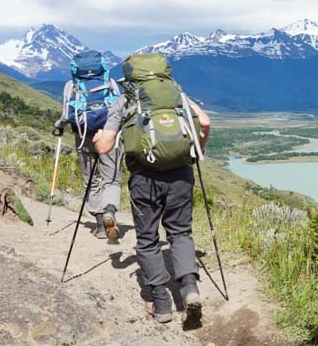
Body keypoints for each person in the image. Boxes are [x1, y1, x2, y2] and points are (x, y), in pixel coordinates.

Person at [93, 53, 211, 325]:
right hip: (181, 174)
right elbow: (203, 122)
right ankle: (189, 290)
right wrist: (198, 150)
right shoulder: (178, 95)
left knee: (147, 238)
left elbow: (105, 147)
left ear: (130, 79)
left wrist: (99, 139)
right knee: (180, 233)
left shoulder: (125, 101)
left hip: (144, 178)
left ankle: (162, 305)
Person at [53, 50, 124, 242]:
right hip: (110, 137)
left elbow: (66, 115)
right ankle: (110, 211)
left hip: (83, 137)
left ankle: (100, 224)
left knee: (91, 180)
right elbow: (120, 109)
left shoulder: (71, 86)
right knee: (112, 179)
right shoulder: (111, 83)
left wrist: (58, 127)